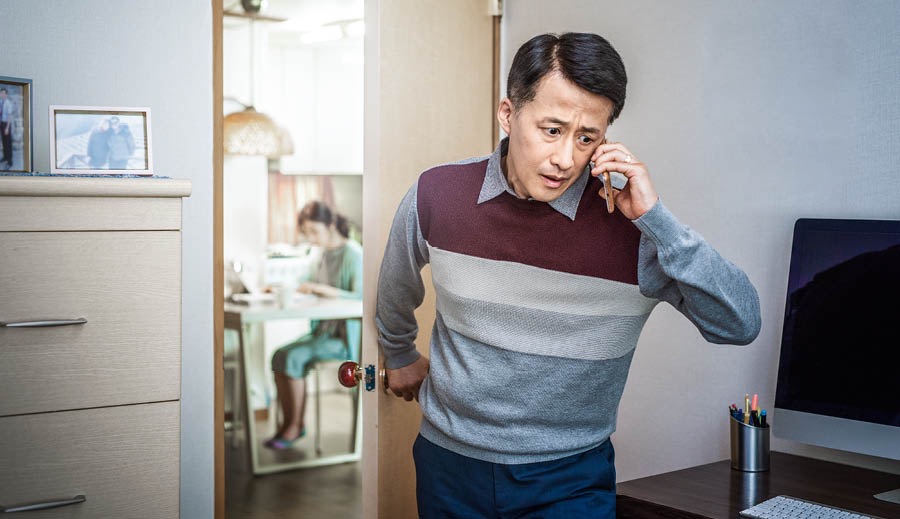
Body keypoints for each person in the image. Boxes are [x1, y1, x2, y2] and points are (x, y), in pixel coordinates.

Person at [375, 32, 762, 517]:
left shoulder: (634, 230)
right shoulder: (437, 193)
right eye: (551, 130)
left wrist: (657, 219)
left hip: (568, 478)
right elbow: (396, 283)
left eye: (586, 138)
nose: (564, 159)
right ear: (508, 114)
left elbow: (740, 324)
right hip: (448, 466)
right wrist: (398, 351)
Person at [265, 200, 363, 450]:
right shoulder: (320, 255)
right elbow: (304, 281)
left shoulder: (353, 254)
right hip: (322, 334)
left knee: (293, 357)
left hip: (344, 340)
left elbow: (360, 298)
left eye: (314, 231)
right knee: (279, 356)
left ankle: (294, 427)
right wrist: (279, 288)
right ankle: (291, 424)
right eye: (307, 232)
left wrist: (321, 289)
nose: (311, 238)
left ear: (330, 225)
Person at [0, 89, 13, 169]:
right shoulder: (1, 102)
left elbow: (10, 116)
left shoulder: (8, 103)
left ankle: (10, 161)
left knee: (8, 143)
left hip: (6, 124)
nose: (2, 95)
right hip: (1, 123)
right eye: (1, 93)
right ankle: (5, 157)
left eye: (4, 93)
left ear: (6, 94)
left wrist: (7, 128)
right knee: (4, 142)